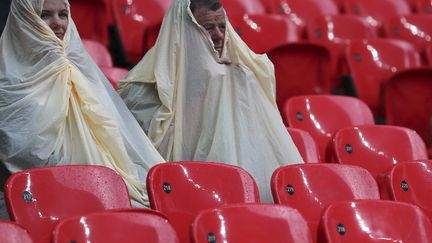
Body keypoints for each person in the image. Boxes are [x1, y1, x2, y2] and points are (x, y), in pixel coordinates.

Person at [119, 0, 304, 202]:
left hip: (243, 197)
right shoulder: (141, 90)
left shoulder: (242, 78)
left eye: (223, 27)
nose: (219, 35)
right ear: (182, 32)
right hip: (173, 196)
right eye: (207, 28)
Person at [0, 0, 165, 219]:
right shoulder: (6, 87)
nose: (57, 24)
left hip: (102, 195)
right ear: (24, 20)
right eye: (45, 15)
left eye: (63, 14)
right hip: (37, 207)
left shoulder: (83, 74)